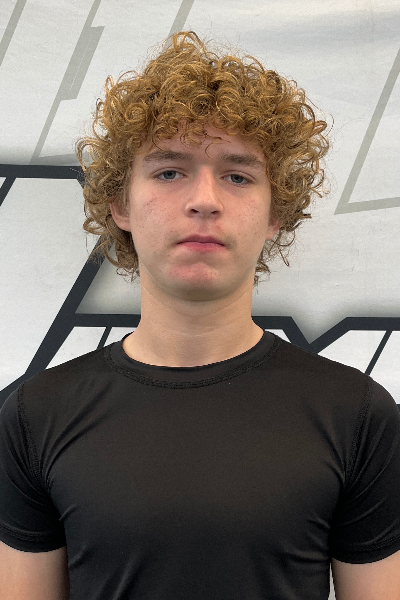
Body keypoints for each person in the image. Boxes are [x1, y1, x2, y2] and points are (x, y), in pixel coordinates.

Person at [0, 30, 400, 600]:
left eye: (238, 175)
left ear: (274, 214)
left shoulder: (356, 415)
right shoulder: (35, 415)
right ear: (120, 204)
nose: (205, 199)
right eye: (170, 171)